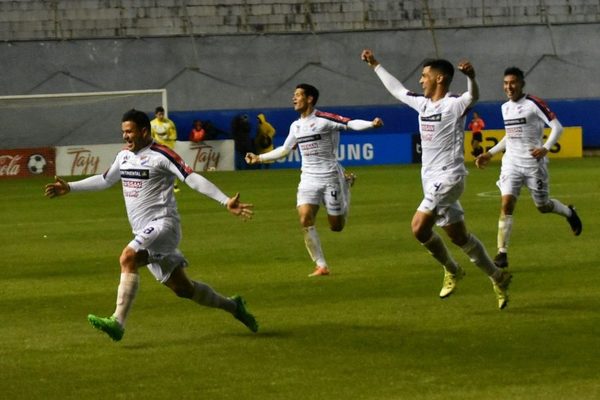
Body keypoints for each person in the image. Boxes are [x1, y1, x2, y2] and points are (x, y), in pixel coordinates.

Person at [44, 109, 258, 341]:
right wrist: (71, 187)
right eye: (123, 132)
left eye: (129, 131)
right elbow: (105, 180)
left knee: (128, 257)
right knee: (184, 290)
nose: (125, 136)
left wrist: (225, 200)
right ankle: (234, 306)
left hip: (164, 225)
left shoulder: (161, 154)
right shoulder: (124, 156)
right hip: (145, 231)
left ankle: (117, 322)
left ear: (144, 131)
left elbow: (191, 177)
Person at [361, 49, 512, 309]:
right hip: (430, 179)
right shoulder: (423, 104)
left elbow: (473, 96)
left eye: (424, 76)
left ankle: (452, 269)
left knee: (419, 227)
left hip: (450, 177)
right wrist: (375, 65)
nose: (421, 81)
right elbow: (397, 90)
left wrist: (471, 77)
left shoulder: (454, 104)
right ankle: (498, 276)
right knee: (459, 237)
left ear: (439, 78)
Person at [245, 83, 383, 277]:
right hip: (308, 178)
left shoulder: (324, 119)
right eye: (294, 95)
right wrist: (259, 158)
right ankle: (321, 265)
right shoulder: (296, 126)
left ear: (309, 99)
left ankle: (346, 185)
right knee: (304, 218)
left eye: (298, 95)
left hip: (331, 178)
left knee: (336, 226)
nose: (294, 98)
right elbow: (285, 150)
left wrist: (371, 124)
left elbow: (350, 123)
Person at [475, 66, 582, 269]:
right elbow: (510, 136)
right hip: (512, 163)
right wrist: (490, 153)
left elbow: (558, 127)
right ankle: (502, 253)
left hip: (534, 165)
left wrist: (545, 148)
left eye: (513, 82)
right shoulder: (505, 108)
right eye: (506, 83)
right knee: (506, 204)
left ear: (522, 83)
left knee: (542, 206)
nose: (509, 87)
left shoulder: (534, 104)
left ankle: (569, 212)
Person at [151, 106, 180, 192]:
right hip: (157, 148)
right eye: (159, 114)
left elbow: (174, 136)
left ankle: (175, 185)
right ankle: (157, 185)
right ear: (156, 115)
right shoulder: (152, 124)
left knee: (171, 166)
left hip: (168, 147)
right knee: (156, 167)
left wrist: (168, 138)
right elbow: (151, 136)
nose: (161, 116)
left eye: (162, 114)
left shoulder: (169, 123)